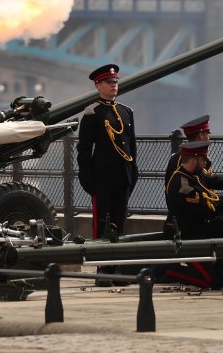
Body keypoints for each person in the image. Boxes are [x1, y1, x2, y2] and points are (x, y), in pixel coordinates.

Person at [77, 64, 137, 287]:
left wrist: (133, 173)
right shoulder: (92, 113)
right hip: (102, 178)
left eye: (115, 82)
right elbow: (84, 150)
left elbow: (131, 146)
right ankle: (102, 268)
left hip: (123, 176)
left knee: (119, 224)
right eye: (109, 82)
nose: (114, 85)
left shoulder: (126, 111)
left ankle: (116, 267)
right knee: (103, 224)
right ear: (98, 85)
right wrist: (87, 178)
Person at [159, 141, 223, 289]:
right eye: (203, 158)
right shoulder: (183, 186)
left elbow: (217, 181)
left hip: (200, 232)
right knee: (209, 281)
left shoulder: (195, 175)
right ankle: (171, 271)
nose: (205, 162)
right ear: (194, 160)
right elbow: (210, 210)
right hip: (187, 240)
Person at [163, 115, 223, 239]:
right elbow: (205, 208)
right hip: (190, 225)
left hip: (199, 212)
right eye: (207, 133)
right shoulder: (184, 166)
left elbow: (211, 181)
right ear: (200, 135)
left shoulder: (191, 165)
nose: (208, 137)